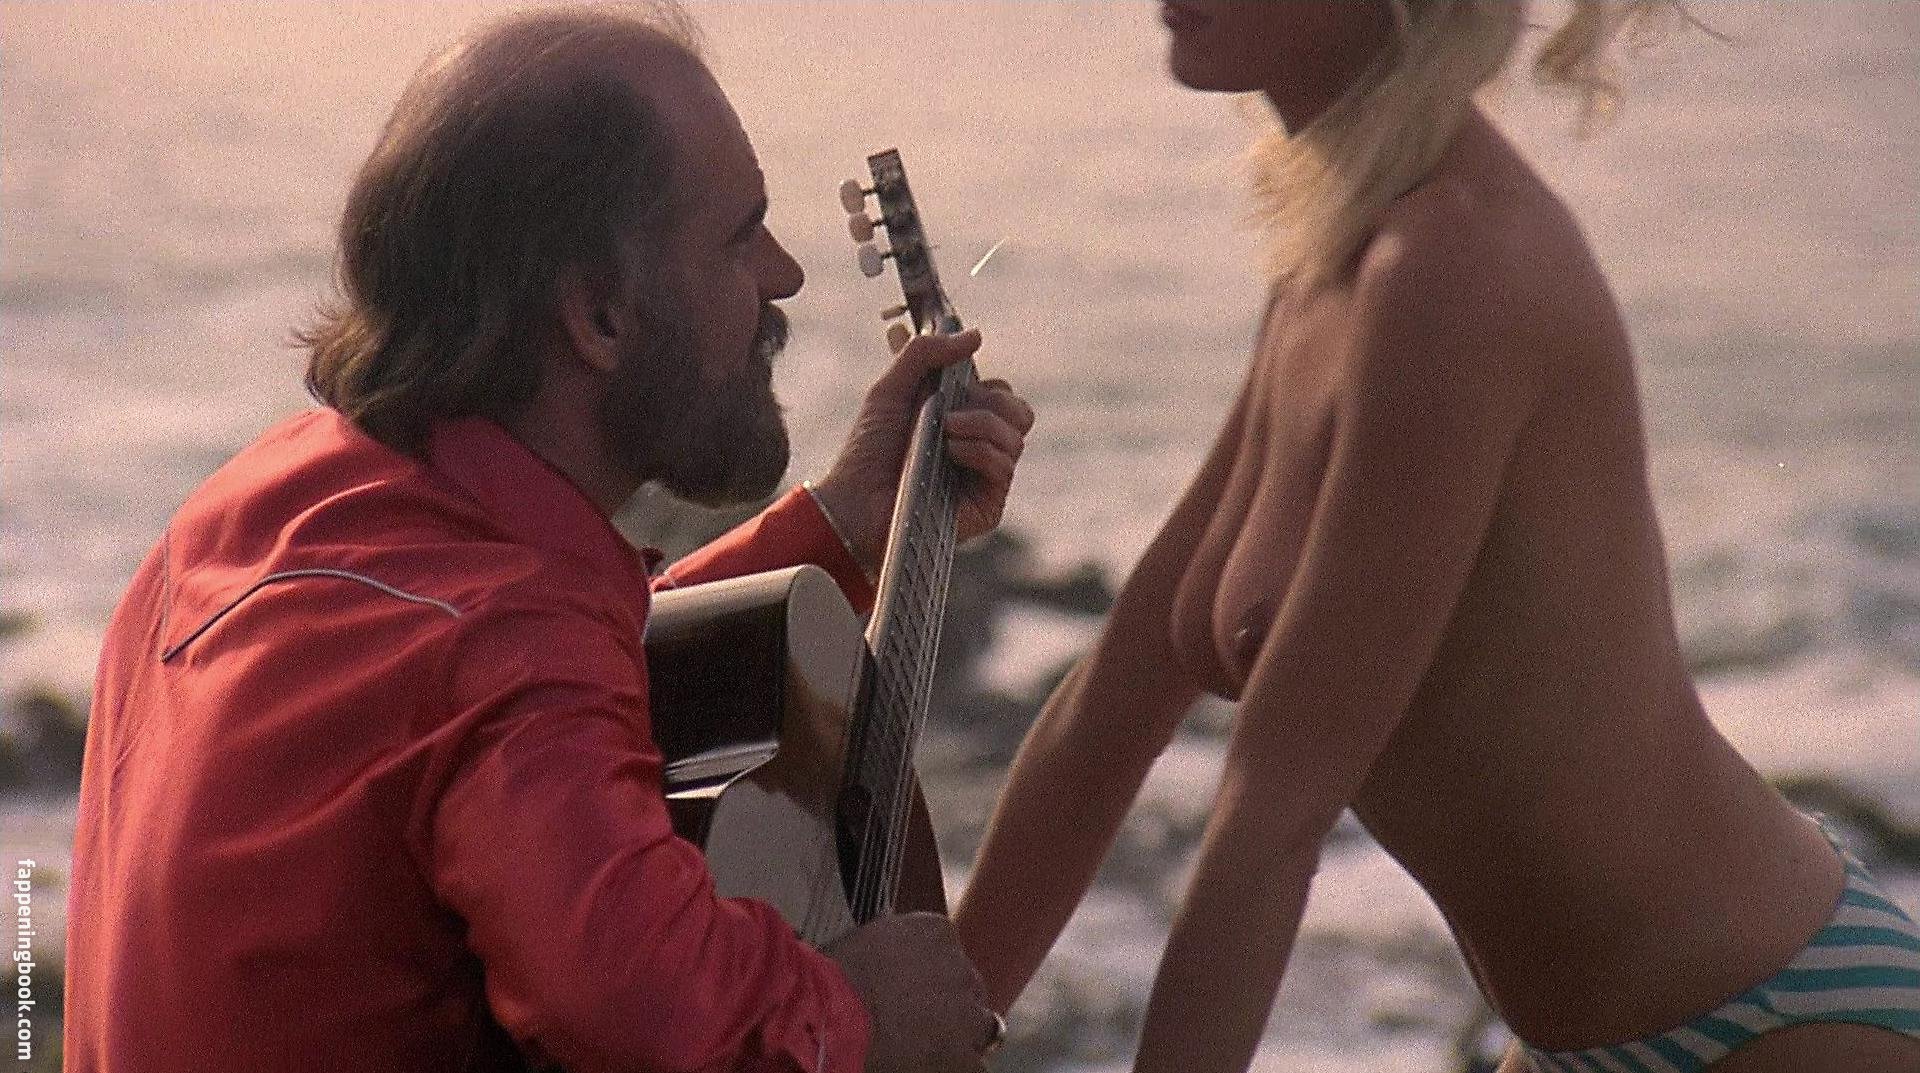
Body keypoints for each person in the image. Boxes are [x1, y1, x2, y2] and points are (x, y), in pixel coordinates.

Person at [62, 6, 1034, 1073]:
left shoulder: (244, 514)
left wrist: (841, 522)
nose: (784, 273)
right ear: (599, 318)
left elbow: (542, 687)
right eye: (737, 237)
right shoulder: (502, 649)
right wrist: (858, 1011)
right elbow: (640, 1004)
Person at [951, 3, 1920, 1072]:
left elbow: (1271, 821)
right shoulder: (1337, 251)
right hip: (1574, 1037)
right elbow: (1109, 706)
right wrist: (916, 1036)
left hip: (1780, 1019)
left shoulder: (1458, 264)